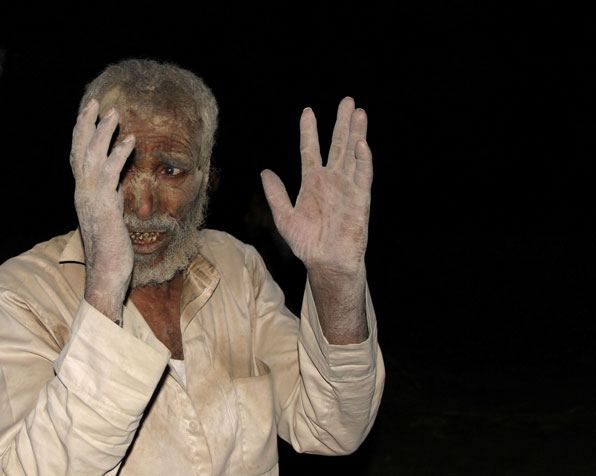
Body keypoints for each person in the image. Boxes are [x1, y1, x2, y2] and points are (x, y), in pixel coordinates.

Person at [0, 59, 384, 475]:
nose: (144, 206)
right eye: (122, 167)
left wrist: (335, 279)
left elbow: (332, 428)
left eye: (170, 170)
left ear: (206, 176)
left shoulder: (238, 269)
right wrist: (105, 287)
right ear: (84, 167)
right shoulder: (21, 295)